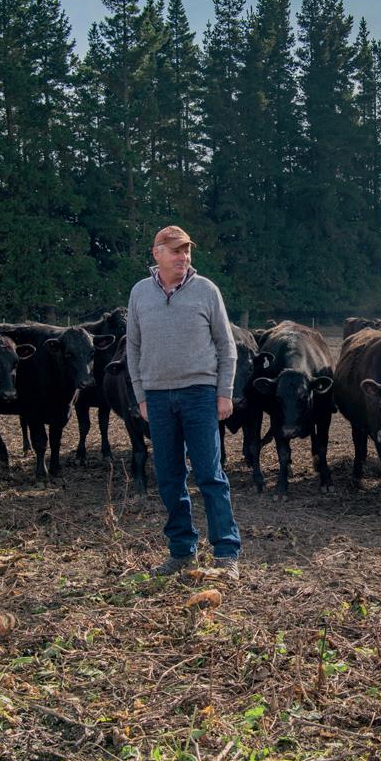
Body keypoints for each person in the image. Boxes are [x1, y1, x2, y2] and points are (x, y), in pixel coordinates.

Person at [126, 226, 242, 579]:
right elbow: (133, 347)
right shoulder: (140, 293)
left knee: (210, 474)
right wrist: (141, 395)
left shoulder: (206, 290)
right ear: (157, 253)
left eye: (187, 250)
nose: (184, 256)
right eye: (176, 250)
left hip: (199, 393)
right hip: (158, 397)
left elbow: (226, 345)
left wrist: (224, 392)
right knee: (169, 476)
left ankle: (226, 553)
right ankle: (181, 551)